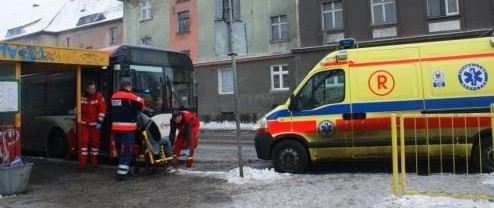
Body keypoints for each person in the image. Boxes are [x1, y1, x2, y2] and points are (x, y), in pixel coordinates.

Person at [111, 80, 144, 181]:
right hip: (127, 128)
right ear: (128, 87)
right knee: (128, 150)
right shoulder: (130, 96)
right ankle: (121, 174)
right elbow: (141, 102)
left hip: (116, 128)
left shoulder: (114, 96)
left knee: (120, 150)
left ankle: (126, 170)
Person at [78, 81, 106, 172]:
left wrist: (99, 121)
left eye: (94, 88)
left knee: (95, 144)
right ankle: (82, 165)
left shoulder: (99, 96)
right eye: (91, 89)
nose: (93, 90)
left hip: (95, 125)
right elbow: (77, 108)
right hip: (84, 124)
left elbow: (102, 110)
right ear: (86, 89)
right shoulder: (81, 97)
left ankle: (94, 163)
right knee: (83, 145)